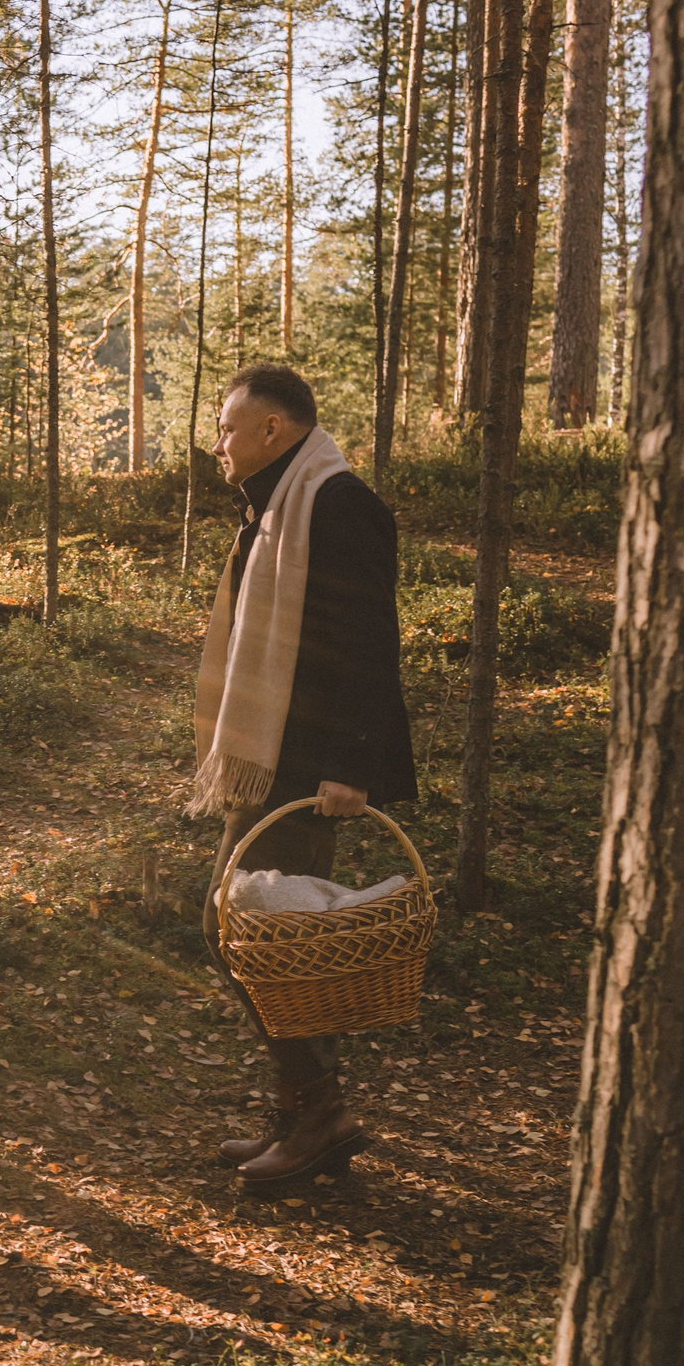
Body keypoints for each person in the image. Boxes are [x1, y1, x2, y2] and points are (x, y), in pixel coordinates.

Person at [193, 363, 417, 1187]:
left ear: (272, 431)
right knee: (247, 934)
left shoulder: (336, 502)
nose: (217, 442)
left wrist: (349, 766)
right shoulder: (274, 507)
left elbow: (368, 640)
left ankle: (317, 1112)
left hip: (309, 766)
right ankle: (303, 1105)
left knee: (265, 939)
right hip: (271, 762)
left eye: (227, 427)